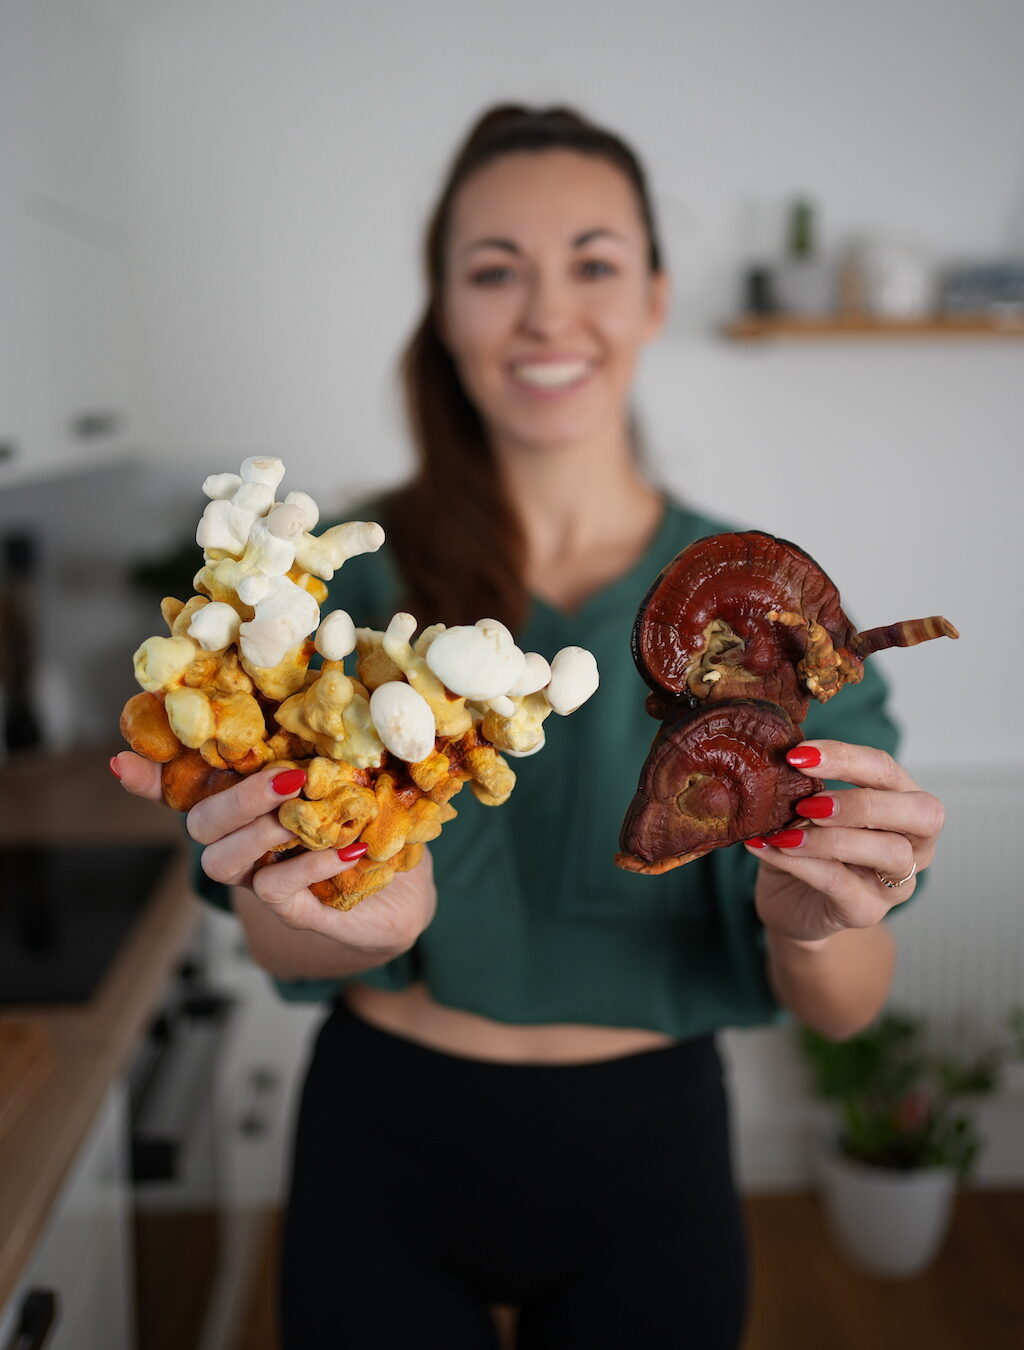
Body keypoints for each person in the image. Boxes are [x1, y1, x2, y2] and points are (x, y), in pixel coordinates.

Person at [113, 104, 946, 1349]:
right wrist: (337, 908)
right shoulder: (331, 591)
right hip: (381, 1139)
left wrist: (812, 921)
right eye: (495, 271)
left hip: (651, 1159)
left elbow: (846, 1008)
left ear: (654, 297)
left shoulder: (770, 616)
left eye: (592, 264)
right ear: (444, 309)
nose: (548, 314)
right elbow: (279, 938)